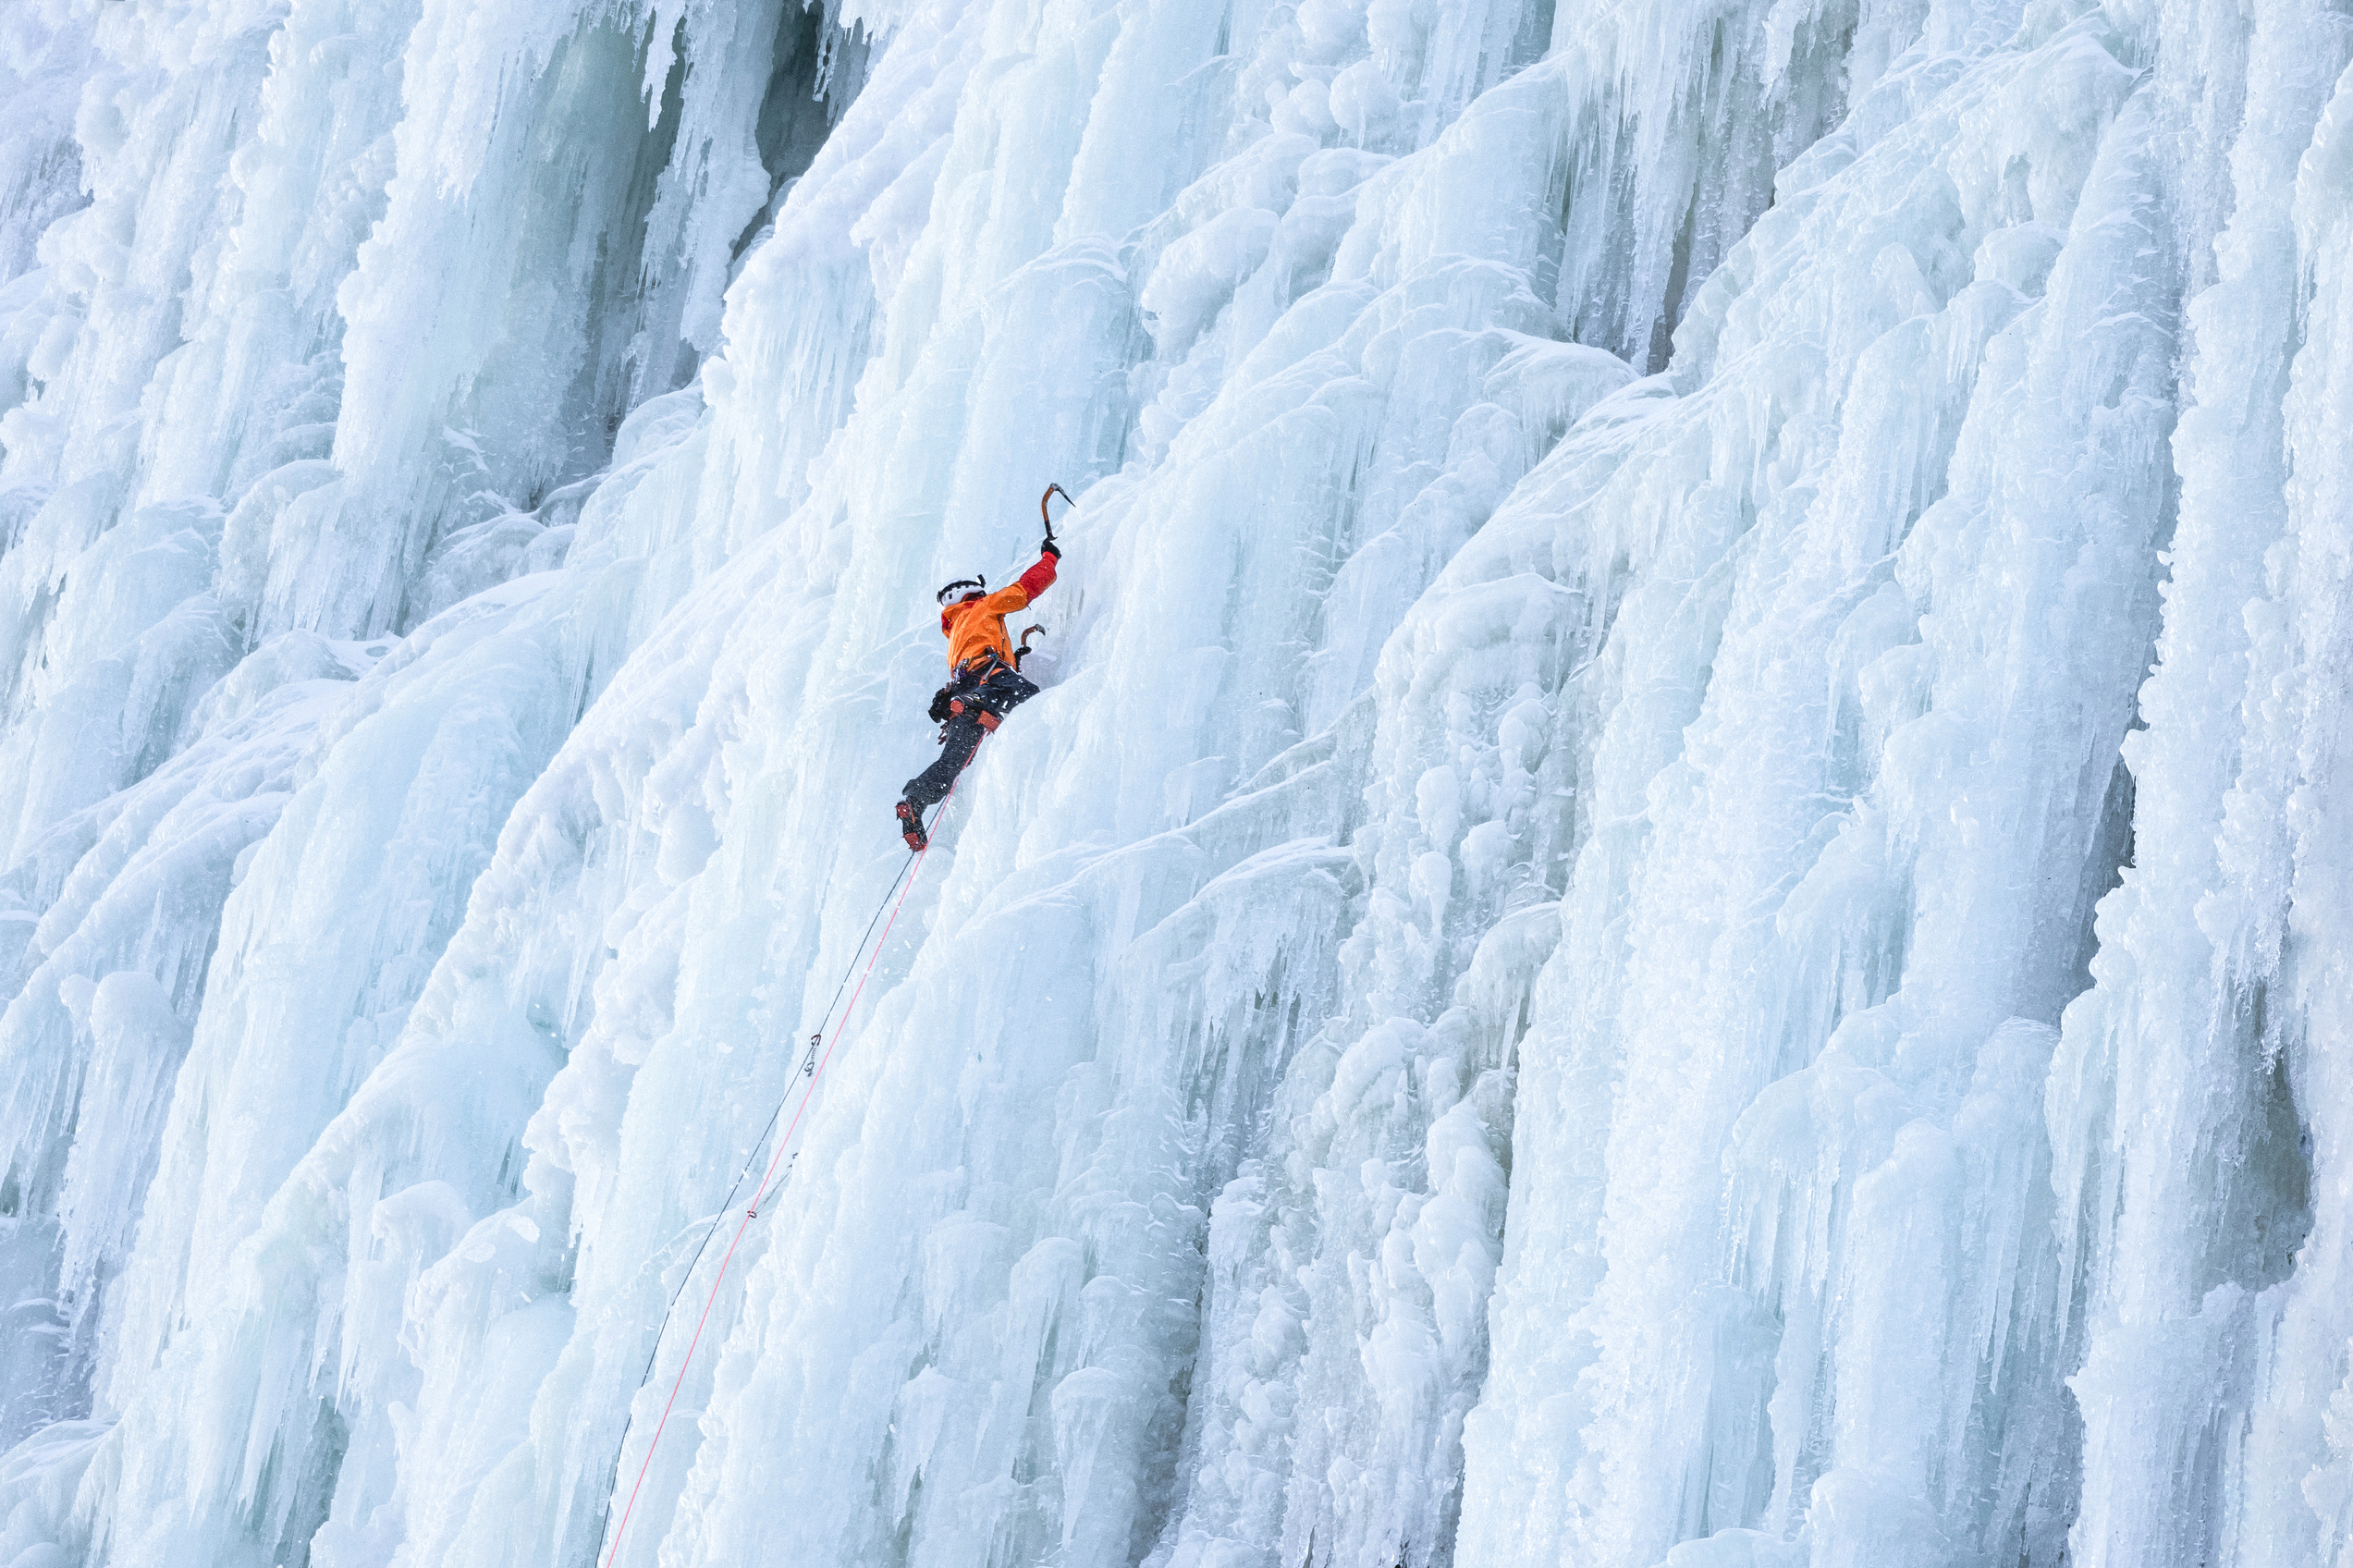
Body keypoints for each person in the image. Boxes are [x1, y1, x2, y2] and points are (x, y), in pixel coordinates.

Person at [895, 526, 1061, 850]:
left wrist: (1014, 657)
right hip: (985, 680)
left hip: (962, 693)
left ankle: (915, 799)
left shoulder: (956, 629)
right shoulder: (981, 607)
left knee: (953, 764)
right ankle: (977, 704)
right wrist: (1049, 558)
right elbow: (1025, 590)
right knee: (1034, 702)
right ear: (972, 593)